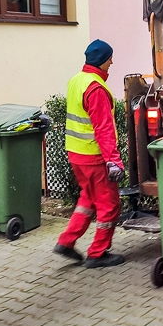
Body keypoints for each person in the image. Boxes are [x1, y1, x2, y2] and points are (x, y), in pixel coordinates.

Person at [54, 39, 126, 268]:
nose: (112, 61)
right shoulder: (96, 88)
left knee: (88, 200)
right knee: (109, 204)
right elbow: (103, 128)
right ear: (103, 60)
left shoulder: (77, 81)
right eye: (110, 58)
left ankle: (66, 241)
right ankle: (98, 253)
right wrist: (113, 161)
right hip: (94, 158)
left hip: (76, 154)